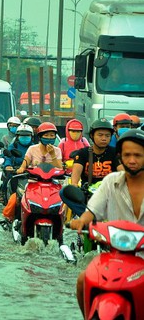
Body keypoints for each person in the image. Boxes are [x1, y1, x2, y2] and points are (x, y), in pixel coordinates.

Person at [69, 129, 144, 316]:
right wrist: (81, 222)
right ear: (120, 157)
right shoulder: (111, 182)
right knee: (82, 280)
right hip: (115, 256)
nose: (132, 160)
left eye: (138, 155)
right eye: (127, 155)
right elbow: (92, 210)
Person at [61, 119, 121, 215]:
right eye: (100, 135)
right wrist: (74, 187)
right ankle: (86, 216)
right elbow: (75, 178)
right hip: (87, 194)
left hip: (110, 194)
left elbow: (123, 173)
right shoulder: (83, 153)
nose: (104, 138)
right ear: (92, 136)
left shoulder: (115, 153)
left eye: (107, 136)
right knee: (64, 192)